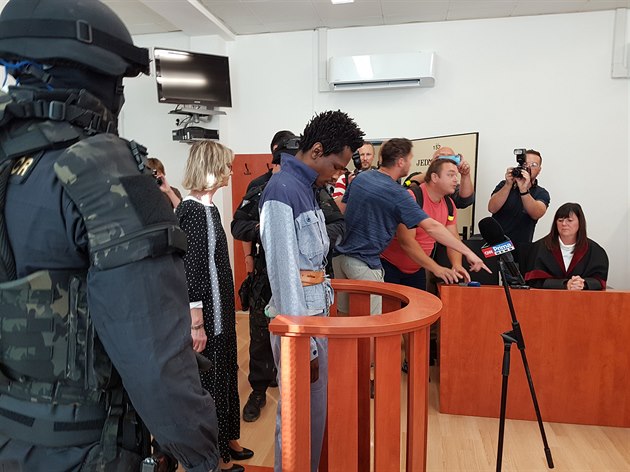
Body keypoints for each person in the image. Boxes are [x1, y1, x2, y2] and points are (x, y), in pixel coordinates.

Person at [0, 1, 219, 471]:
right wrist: (202, 455)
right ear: (99, 76)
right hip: (86, 449)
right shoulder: (105, 174)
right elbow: (155, 359)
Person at [259, 110, 364, 472]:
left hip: (314, 321)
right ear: (317, 150)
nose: (338, 175)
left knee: (313, 416)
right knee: (296, 421)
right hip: (299, 329)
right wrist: (306, 345)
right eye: (336, 166)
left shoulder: (306, 188)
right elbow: (284, 276)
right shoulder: (281, 190)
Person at [231, 130, 344, 423]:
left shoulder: (313, 187)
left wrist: (308, 235)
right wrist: (265, 231)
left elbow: (338, 224)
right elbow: (237, 225)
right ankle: (258, 390)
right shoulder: (264, 187)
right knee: (260, 338)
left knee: (301, 374)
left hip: (308, 280)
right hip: (266, 275)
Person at [333, 138, 490, 314]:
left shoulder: (362, 178)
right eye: (409, 158)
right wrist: (467, 253)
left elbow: (341, 209)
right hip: (364, 263)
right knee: (374, 324)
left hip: (340, 258)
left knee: (345, 318)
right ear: (401, 161)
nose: (410, 163)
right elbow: (431, 227)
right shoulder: (399, 194)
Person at [176, 141, 252, 472]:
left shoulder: (210, 210)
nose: (230, 172)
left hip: (221, 312)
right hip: (207, 315)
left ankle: (229, 438)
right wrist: (197, 323)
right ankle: (215, 456)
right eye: (226, 165)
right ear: (211, 168)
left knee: (227, 374)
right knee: (211, 384)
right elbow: (190, 270)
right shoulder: (193, 213)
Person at [381, 158, 470, 290]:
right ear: (434, 177)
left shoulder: (450, 205)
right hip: (389, 267)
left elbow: (453, 238)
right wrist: (436, 268)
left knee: (420, 304)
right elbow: (406, 241)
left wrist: (456, 264)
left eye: (456, 176)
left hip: (417, 269)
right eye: (450, 175)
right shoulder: (412, 197)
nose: (456, 180)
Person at [525, 203, 608, 290]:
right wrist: (564, 284)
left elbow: (600, 281)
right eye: (560, 220)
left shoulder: (595, 251)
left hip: (583, 297)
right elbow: (533, 280)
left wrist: (583, 284)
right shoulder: (540, 247)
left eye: (570, 220)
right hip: (547, 297)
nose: (564, 224)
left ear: (580, 222)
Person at [488, 149, 550, 248]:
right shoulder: (504, 185)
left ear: (539, 170)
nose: (528, 167)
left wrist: (524, 189)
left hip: (521, 248)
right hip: (496, 245)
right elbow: (492, 208)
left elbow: (536, 213)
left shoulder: (541, 193)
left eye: (533, 165)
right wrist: (508, 185)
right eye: (525, 164)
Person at [332, 140, 375, 205]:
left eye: (368, 154)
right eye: (362, 154)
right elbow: (336, 206)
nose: (365, 158)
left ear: (373, 156)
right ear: (355, 156)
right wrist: (350, 188)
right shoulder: (344, 179)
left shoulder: (380, 178)